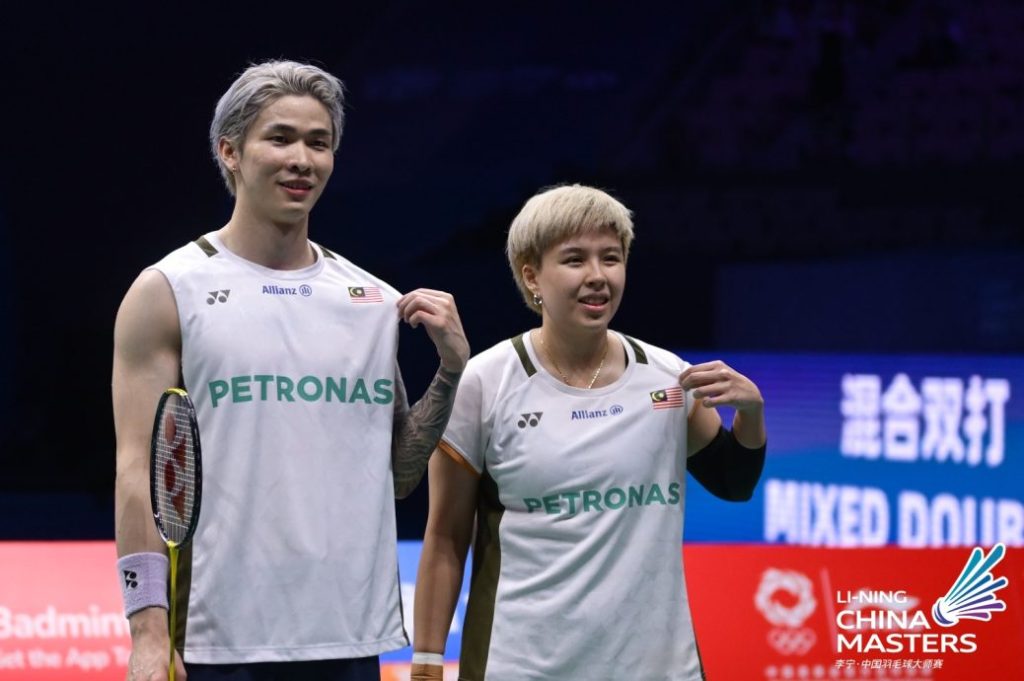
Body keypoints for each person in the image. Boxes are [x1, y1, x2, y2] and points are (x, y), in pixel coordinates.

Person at [112, 60, 470, 681]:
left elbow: (399, 476)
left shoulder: (371, 301)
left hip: (349, 636)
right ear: (230, 152)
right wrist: (146, 631)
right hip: (216, 641)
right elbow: (137, 471)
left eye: (318, 143)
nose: (302, 159)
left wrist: (450, 371)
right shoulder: (168, 290)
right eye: (280, 138)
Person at [410, 184, 766, 681]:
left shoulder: (667, 376)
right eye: (575, 259)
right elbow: (446, 538)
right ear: (531, 275)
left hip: (657, 668)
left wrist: (751, 412)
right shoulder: (485, 383)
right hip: (522, 666)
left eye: (611, 258)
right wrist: (426, 666)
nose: (598, 276)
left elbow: (734, 481)